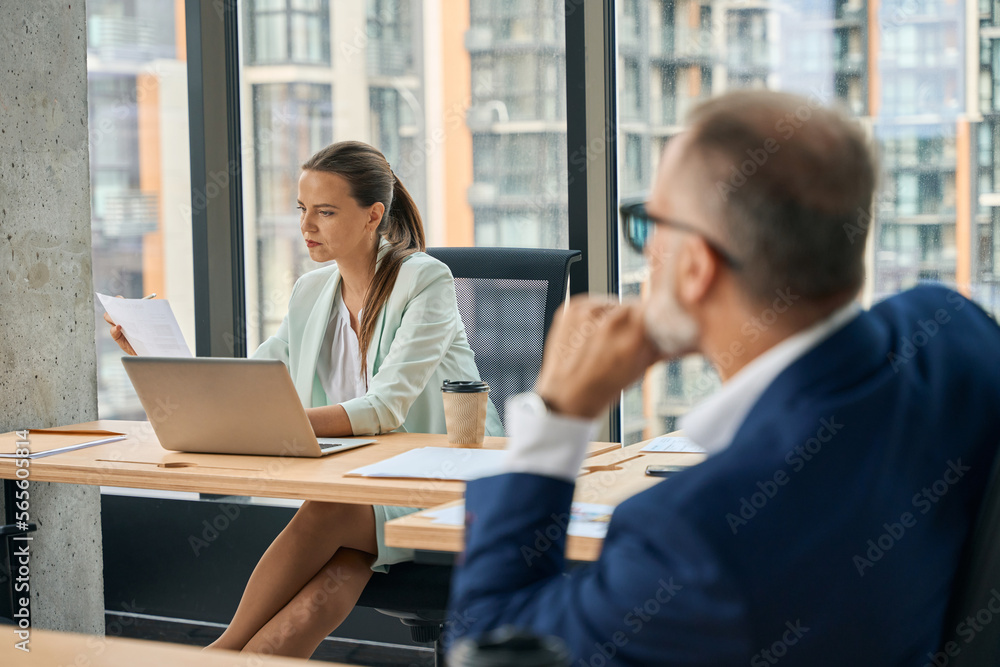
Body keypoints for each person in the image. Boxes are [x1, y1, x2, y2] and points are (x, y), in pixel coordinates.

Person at [447, 91, 1000, 664]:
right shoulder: (958, 332)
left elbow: (485, 645)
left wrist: (557, 420)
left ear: (695, 267)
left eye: (650, 224)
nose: (646, 248)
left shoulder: (694, 541)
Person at [105, 140, 502, 658]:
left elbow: (385, 409)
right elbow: (248, 385)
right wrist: (151, 353)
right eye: (302, 209)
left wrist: (282, 424)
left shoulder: (422, 279)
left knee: (326, 510)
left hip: (448, 488)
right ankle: (233, 657)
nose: (306, 225)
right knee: (312, 604)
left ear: (372, 216)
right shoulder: (312, 293)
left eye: (326, 211)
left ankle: (218, 650)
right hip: (370, 493)